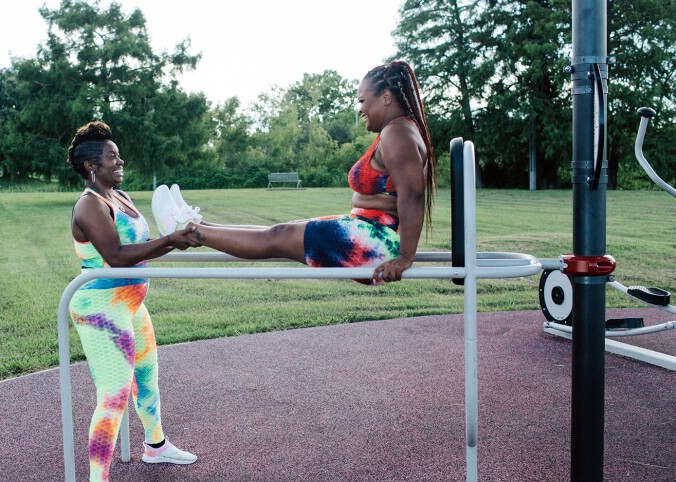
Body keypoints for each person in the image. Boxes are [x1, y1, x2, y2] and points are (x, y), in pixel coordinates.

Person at [153, 60, 436, 284]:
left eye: (362, 100)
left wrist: (405, 258)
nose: (359, 108)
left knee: (276, 237)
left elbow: (412, 196)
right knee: (275, 233)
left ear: (385, 97)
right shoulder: (397, 130)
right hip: (367, 231)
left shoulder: (397, 132)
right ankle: (197, 225)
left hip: (374, 241)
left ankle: (190, 232)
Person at [67, 121, 200, 481]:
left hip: (130, 304)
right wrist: (171, 240)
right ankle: (98, 479)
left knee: (147, 378)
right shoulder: (89, 206)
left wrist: (176, 229)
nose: (120, 161)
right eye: (113, 157)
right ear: (92, 166)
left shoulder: (120, 197)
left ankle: (155, 446)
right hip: (101, 310)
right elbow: (117, 255)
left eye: (119, 154)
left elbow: (141, 243)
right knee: (114, 395)